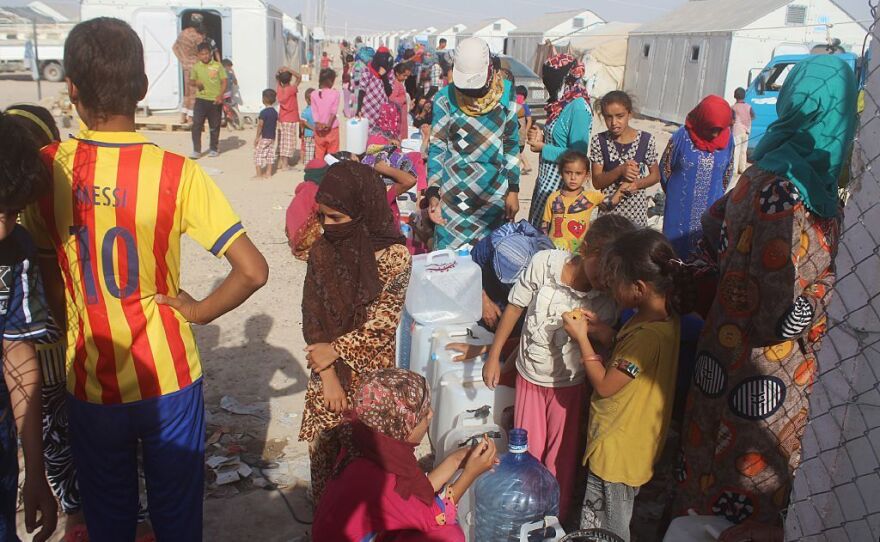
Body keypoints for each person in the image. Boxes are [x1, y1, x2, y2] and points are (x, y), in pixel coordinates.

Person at [22, 18, 268, 541]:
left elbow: (47, 267)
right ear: (143, 88)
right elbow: (253, 270)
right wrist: (197, 310)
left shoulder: (49, 170)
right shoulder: (179, 173)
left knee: (108, 517)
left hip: (89, 379)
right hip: (170, 378)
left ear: (72, 88)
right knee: (177, 518)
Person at [674, 55, 857, 536]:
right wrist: (823, 312)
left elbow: (713, 221)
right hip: (770, 362)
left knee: (710, 446)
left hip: (724, 338)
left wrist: (731, 269)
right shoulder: (793, 189)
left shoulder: (761, 169)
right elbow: (779, 308)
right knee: (750, 465)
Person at [482, 215, 635, 521]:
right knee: (528, 451)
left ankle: (554, 518)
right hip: (531, 379)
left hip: (571, 387)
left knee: (561, 459)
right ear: (586, 247)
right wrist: (494, 354)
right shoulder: (544, 264)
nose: (604, 281)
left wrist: (596, 331)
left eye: (611, 276)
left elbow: (609, 345)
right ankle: (526, 513)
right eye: (601, 270)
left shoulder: (606, 299)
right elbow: (515, 307)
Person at [299, 161, 412, 503]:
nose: (326, 226)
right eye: (322, 217)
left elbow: (382, 324)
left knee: (369, 465)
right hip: (327, 376)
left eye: (335, 218)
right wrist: (329, 375)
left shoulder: (395, 257)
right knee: (326, 460)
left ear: (363, 210)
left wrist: (333, 352)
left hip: (373, 376)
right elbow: (312, 314)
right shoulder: (322, 249)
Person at [563, 229, 681, 541]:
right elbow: (633, 365)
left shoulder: (644, 337)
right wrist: (604, 332)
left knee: (607, 527)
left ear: (639, 288)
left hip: (616, 452)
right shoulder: (660, 318)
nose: (611, 290)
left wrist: (581, 340)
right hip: (636, 444)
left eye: (616, 283)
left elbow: (604, 384)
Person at [313, 369, 497, 541]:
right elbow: (436, 517)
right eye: (423, 413)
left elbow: (413, 496)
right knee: (447, 535)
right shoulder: (380, 478)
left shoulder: (367, 445)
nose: (431, 414)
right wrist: (470, 474)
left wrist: (456, 459)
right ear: (403, 425)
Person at [0, 112, 58, 542]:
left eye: (13, 213)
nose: (4, 227)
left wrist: (34, 472)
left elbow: (18, 355)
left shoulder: (17, 250)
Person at [426, 37, 520, 249]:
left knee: (489, 264)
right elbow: (438, 146)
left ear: (489, 69)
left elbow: (511, 143)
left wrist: (513, 189)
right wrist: (433, 192)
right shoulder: (444, 98)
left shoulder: (506, 94)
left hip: (494, 198)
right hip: (453, 201)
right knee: (450, 268)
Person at [660, 95, 735, 259]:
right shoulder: (681, 136)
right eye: (711, 128)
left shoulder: (728, 140)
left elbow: (727, 173)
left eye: (719, 129)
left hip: (710, 211)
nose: (715, 134)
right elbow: (665, 169)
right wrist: (676, 195)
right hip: (678, 213)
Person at [527, 54, 591, 228]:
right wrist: (541, 135)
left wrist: (543, 148)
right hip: (546, 178)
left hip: (562, 182)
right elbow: (559, 138)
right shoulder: (560, 104)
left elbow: (577, 154)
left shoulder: (577, 107)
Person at [590, 91, 660, 227]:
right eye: (608, 117)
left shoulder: (646, 140)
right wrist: (620, 170)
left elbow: (655, 176)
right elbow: (597, 182)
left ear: (629, 114)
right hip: (609, 213)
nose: (614, 122)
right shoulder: (599, 141)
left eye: (620, 116)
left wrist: (637, 184)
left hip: (636, 214)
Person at [470, 220, 553, 331]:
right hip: (492, 288)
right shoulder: (488, 246)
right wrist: (482, 299)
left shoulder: (548, 257)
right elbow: (469, 272)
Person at [541, 150, 604, 253]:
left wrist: (622, 190)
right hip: (554, 252)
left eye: (578, 173)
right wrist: (544, 248)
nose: (573, 178)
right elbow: (545, 226)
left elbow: (610, 202)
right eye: (568, 172)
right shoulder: (553, 198)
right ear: (561, 173)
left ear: (587, 175)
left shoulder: (591, 197)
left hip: (579, 253)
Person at [190, 42, 228, 159]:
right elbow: (191, 81)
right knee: (196, 124)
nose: (205, 56)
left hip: (214, 100)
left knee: (214, 125)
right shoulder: (196, 67)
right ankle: (197, 150)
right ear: (198, 55)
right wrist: (196, 83)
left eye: (207, 53)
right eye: (202, 54)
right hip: (201, 100)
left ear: (210, 53)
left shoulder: (218, 66)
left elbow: (224, 81)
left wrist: (220, 95)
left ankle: (213, 148)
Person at [172, 16, 209, 124]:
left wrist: (183, 59)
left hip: (186, 66)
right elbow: (203, 52)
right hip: (196, 66)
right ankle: (191, 117)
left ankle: (183, 116)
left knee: (187, 92)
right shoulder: (198, 36)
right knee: (195, 92)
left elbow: (174, 47)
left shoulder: (183, 33)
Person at [358, 46, 393, 127]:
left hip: (382, 110)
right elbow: (362, 90)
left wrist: (384, 76)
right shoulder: (367, 70)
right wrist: (358, 109)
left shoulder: (389, 72)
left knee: (380, 136)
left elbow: (389, 92)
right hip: (367, 109)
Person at [311, 68, 341, 160]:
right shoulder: (335, 93)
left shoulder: (313, 94)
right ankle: (331, 172)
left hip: (319, 129)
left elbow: (314, 112)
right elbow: (333, 111)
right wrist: (328, 124)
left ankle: (319, 172)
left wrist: (318, 124)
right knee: (333, 155)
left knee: (319, 153)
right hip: (332, 128)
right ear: (330, 81)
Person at [276, 66, 302, 170]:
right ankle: (285, 165)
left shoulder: (279, 89)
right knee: (288, 141)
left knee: (283, 140)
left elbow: (277, 79)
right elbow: (299, 77)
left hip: (282, 118)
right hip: (291, 118)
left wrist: (279, 73)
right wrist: (288, 69)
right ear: (290, 79)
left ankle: (282, 162)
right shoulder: (291, 89)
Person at [254, 89, 279, 179]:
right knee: (270, 154)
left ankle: (259, 174)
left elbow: (260, 125)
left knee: (258, 154)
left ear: (264, 99)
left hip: (264, 137)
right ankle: (268, 173)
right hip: (272, 137)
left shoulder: (263, 112)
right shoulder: (275, 112)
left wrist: (257, 137)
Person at [732, 87, 755, 176]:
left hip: (736, 131)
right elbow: (753, 117)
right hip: (746, 131)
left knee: (736, 150)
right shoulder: (749, 107)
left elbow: (731, 119)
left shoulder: (733, 107)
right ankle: (742, 169)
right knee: (743, 150)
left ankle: (734, 170)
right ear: (744, 96)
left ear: (735, 96)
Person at [390, 62, 413, 141]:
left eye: (407, 76)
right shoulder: (396, 84)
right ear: (397, 73)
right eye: (404, 75)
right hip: (398, 114)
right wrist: (404, 99)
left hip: (401, 113)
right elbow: (392, 99)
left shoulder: (399, 83)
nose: (406, 78)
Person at [515, 85, 533, 174]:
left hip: (520, 133)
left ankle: (524, 166)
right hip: (519, 132)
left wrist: (526, 132)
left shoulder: (523, 106)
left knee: (517, 150)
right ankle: (527, 165)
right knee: (519, 150)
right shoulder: (519, 105)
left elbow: (529, 120)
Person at [301, 88, 317, 163]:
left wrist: (312, 128)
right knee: (316, 152)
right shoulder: (318, 110)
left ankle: (309, 167)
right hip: (318, 135)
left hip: (308, 135)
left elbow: (303, 122)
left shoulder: (306, 111)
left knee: (309, 154)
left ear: (306, 99)